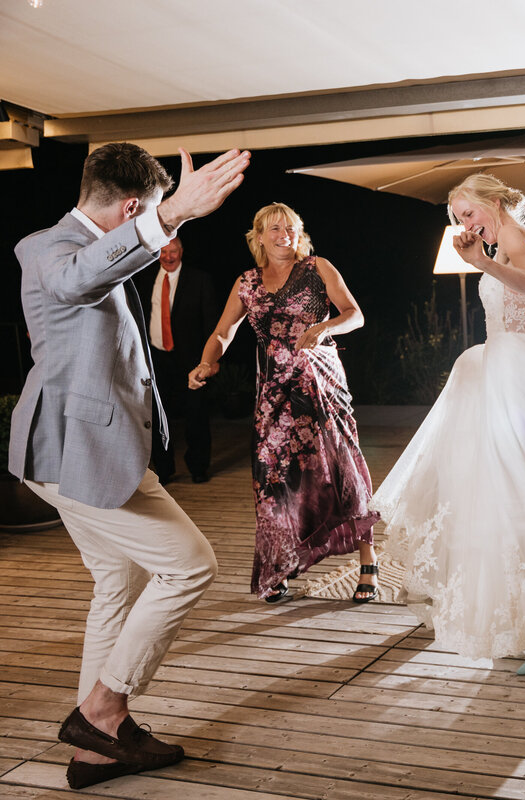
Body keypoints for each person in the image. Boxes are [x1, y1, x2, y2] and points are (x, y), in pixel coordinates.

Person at [8, 142, 250, 789]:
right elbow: (75, 280)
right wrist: (171, 216)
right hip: (71, 449)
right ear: (134, 206)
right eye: (152, 213)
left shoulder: (91, 247)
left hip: (89, 449)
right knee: (190, 565)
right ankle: (103, 708)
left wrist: (163, 217)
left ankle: (97, 750)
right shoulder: (47, 248)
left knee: (117, 579)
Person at [370, 173, 525, 674]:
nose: (466, 224)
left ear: (493, 201)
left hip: (510, 375)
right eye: (459, 218)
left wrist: (484, 269)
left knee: (516, 497)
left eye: (469, 213)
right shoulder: (511, 243)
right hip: (505, 371)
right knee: (504, 499)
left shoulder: (513, 236)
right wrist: (514, 349)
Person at [187, 203, 381, 604]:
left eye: (290, 228)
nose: (283, 235)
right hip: (273, 391)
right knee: (271, 476)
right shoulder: (247, 282)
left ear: (299, 233)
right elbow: (223, 332)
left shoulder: (318, 268)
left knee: (339, 467)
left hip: (320, 384)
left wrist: (324, 327)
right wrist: (207, 362)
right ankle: (279, 564)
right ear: (259, 236)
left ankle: (368, 560)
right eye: (274, 229)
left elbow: (355, 315)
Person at [136, 235, 219, 484]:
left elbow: (212, 322)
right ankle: (164, 469)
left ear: (181, 252)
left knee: (196, 415)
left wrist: (212, 359)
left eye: (173, 251)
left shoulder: (199, 280)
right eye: (163, 252)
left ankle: (198, 467)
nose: (168, 257)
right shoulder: (144, 278)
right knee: (157, 416)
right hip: (156, 358)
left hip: (192, 360)